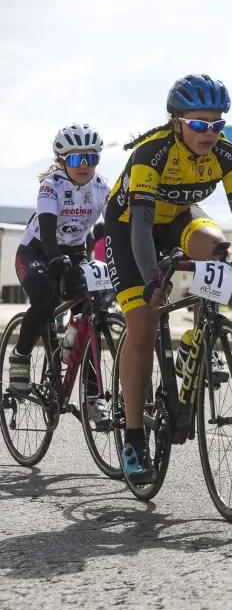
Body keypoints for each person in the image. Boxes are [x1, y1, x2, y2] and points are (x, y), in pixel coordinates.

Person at [106, 74, 232, 485]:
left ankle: (199, 336)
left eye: (217, 124)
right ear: (177, 123)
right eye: (200, 124)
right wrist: (152, 277)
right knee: (143, 324)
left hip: (178, 219)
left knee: (218, 249)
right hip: (130, 227)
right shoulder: (151, 154)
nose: (210, 132)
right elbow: (141, 225)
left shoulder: (227, 154)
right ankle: (133, 438)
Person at [9, 124, 112, 426]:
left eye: (91, 158)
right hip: (37, 250)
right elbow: (47, 226)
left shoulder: (101, 188)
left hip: (76, 251)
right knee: (47, 297)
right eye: (77, 159)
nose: (85, 165)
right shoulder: (51, 185)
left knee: (92, 310)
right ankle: (21, 355)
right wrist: (54, 256)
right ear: (63, 160)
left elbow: (117, 228)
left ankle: (92, 395)